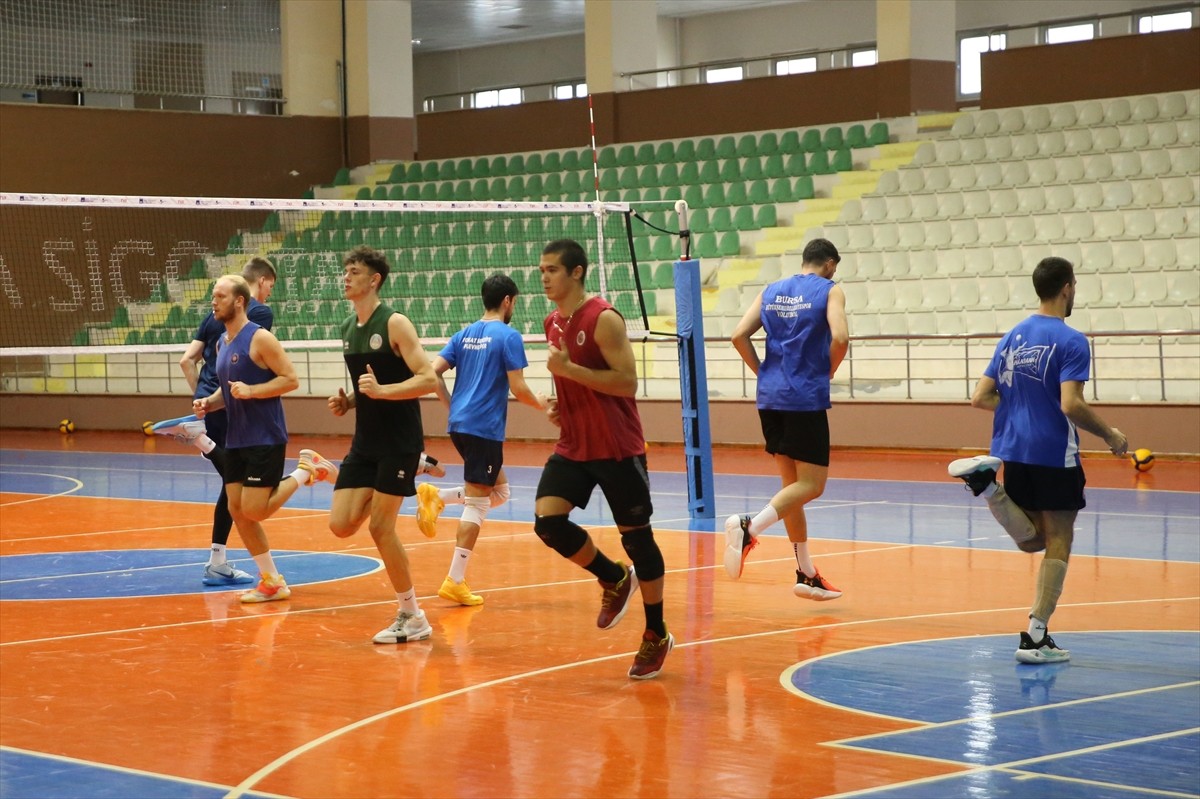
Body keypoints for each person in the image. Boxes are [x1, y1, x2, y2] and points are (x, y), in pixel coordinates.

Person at [949, 256, 1127, 664]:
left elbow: (980, 397)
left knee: (1032, 539)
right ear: (1067, 287)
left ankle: (991, 488)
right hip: (1052, 451)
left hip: (1012, 448)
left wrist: (1018, 411)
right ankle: (1035, 635)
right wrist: (1110, 434)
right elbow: (1070, 403)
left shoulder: (1013, 336)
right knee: (1059, 538)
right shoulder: (1071, 340)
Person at [532, 238, 672, 680]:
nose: (545, 278)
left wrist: (571, 372)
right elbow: (569, 380)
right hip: (575, 445)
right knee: (547, 522)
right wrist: (560, 402)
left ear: (576, 272)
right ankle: (613, 577)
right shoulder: (552, 322)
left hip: (616, 446)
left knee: (639, 540)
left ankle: (656, 633)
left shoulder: (604, 318)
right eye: (541, 271)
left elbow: (627, 382)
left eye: (552, 270)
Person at [189, 274, 338, 603]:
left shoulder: (260, 339)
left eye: (220, 296)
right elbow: (228, 391)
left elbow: (291, 379)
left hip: (264, 436)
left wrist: (253, 391)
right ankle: (271, 580)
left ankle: (306, 470)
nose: (213, 302)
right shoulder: (221, 343)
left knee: (255, 510)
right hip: (236, 437)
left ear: (239, 301)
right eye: (213, 296)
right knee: (237, 510)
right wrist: (209, 402)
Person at [325, 245, 440, 645]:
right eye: (346, 270)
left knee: (379, 527)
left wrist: (383, 390)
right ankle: (411, 478)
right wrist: (351, 400)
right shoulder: (346, 328)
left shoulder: (395, 323)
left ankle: (412, 615)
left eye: (354, 271)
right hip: (365, 441)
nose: (347, 277)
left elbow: (429, 379)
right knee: (340, 524)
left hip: (398, 439)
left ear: (374, 280)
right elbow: (368, 385)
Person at [723, 238, 849, 601]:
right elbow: (839, 337)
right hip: (804, 397)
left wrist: (762, 372)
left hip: (770, 397)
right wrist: (827, 370)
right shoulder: (830, 290)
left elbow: (738, 335)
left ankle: (806, 573)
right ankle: (749, 527)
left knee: (790, 488)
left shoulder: (772, 290)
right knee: (813, 485)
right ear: (828, 263)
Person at [420, 273, 547, 606]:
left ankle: (439, 496)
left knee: (500, 492)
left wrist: (452, 405)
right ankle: (454, 580)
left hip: (461, 424)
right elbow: (518, 387)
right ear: (507, 301)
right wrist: (544, 406)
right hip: (483, 428)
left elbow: (431, 372)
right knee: (478, 504)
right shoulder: (508, 336)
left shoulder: (463, 334)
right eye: (514, 302)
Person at [154, 257, 277, 586]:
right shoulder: (255, 314)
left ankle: (217, 560)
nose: (269, 293)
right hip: (234, 403)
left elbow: (186, 360)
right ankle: (202, 441)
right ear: (261, 282)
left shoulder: (213, 316)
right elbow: (260, 366)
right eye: (270, 286)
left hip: (212, 401)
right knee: (242, 489)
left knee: (231, 485)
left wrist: (203, 400)